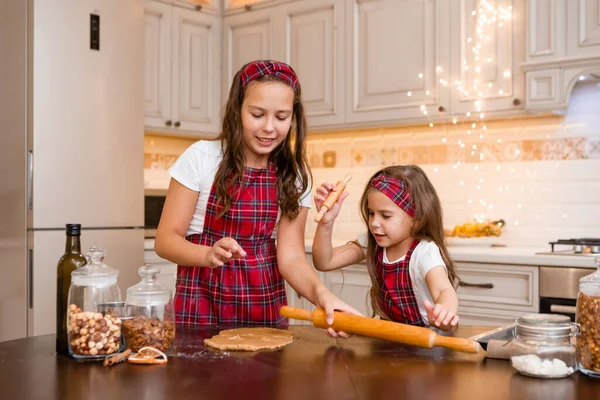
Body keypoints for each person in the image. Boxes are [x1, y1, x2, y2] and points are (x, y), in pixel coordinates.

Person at [155, 60, 358, 334]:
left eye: (282, 117)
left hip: (264, 309)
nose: (269, 128)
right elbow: (165, 240)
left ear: (293, 117)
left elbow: (291, 257)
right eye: (257, 114)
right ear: (237, 110)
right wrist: (208, 254)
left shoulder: (294, 175)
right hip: (200, 307)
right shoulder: (202, 157)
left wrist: (323, 296)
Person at [312, 165, 460, 331]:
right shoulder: (372, 244)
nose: (374, 223)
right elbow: (325, 262)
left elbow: (443, 291)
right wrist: (326, 223)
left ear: (417, 218)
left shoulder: (424, 252)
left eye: (386, 215)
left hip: (425, 339)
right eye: (371, 213)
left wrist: (444, 312)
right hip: (389, 335)